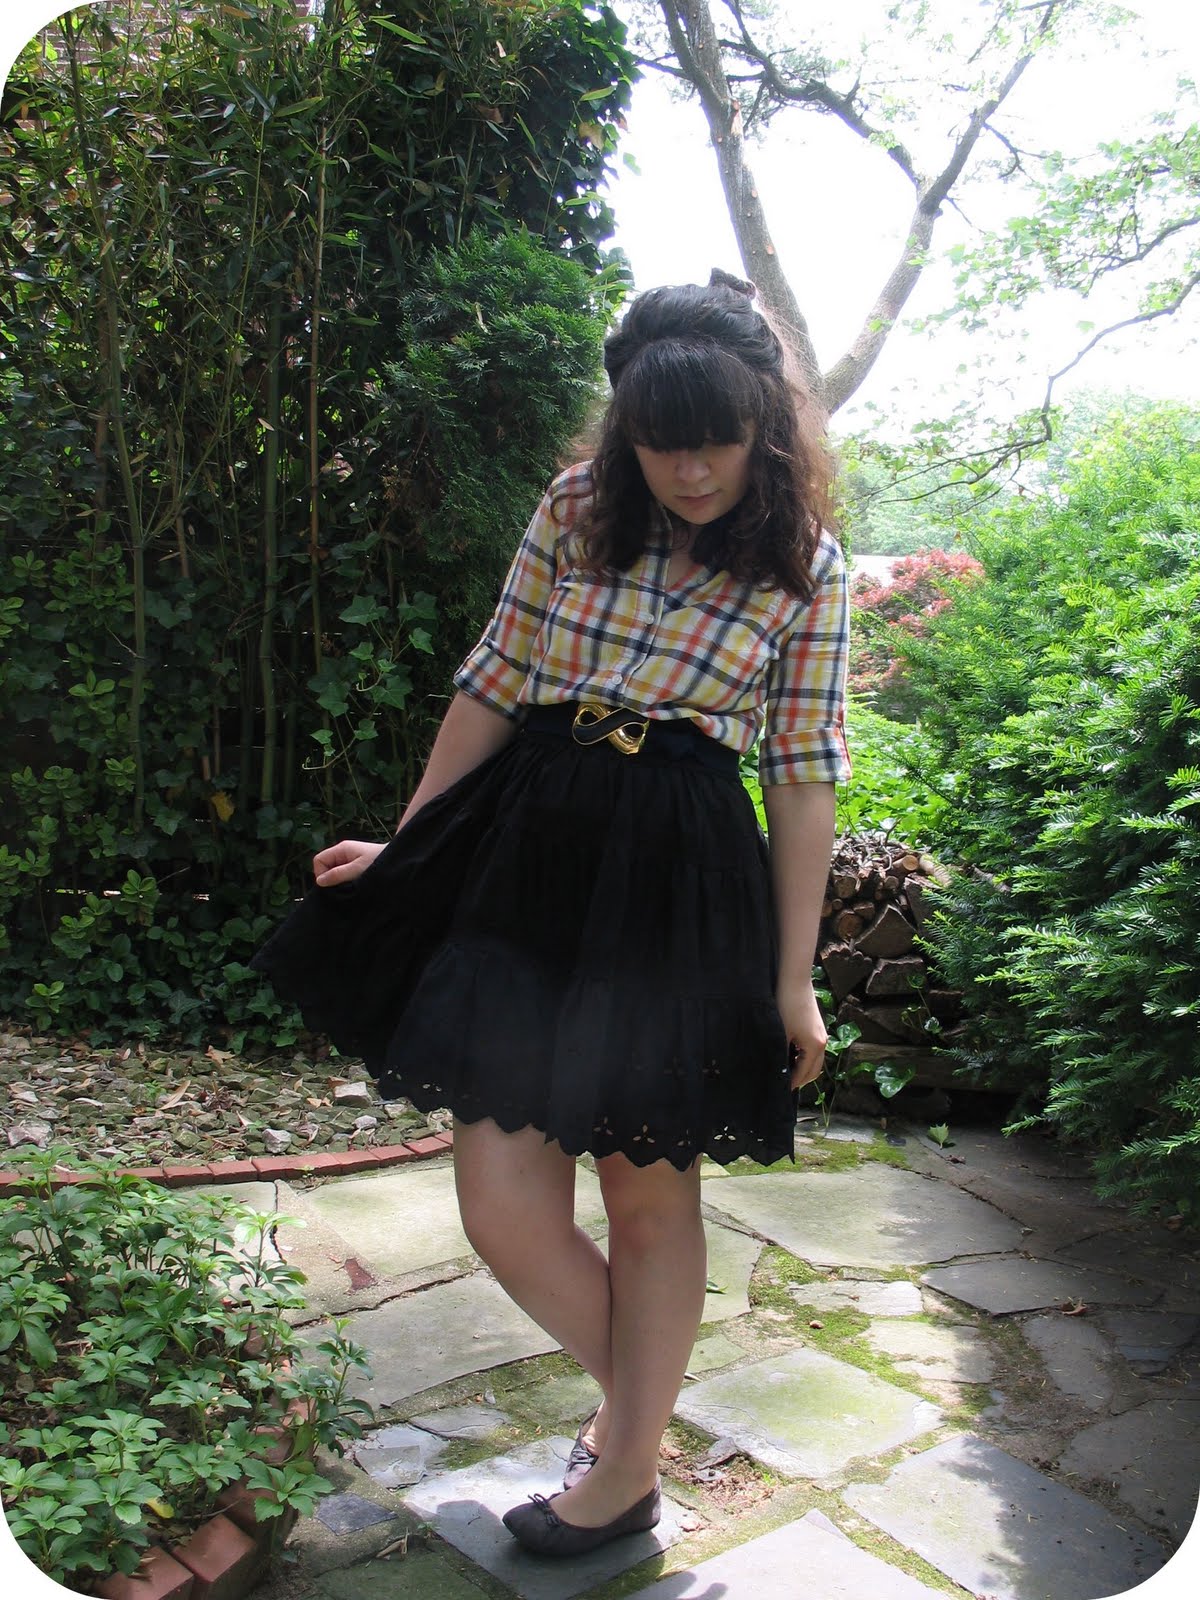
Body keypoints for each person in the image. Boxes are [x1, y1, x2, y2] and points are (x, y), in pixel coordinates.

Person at [250, 270, 851, 1558]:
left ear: (765, 423)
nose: (692, 470)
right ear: (627, 429)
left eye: (717, 440)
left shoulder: (807, 565)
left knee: (649, 1193)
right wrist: (413, 845)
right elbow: (493, 680)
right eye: (663, 441)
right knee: (504, 1203)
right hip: (528, 849)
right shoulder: (578, 506)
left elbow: (804, 776)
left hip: (677, 877)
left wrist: (794, 976)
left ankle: (623, 1469)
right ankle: (643, 1421)